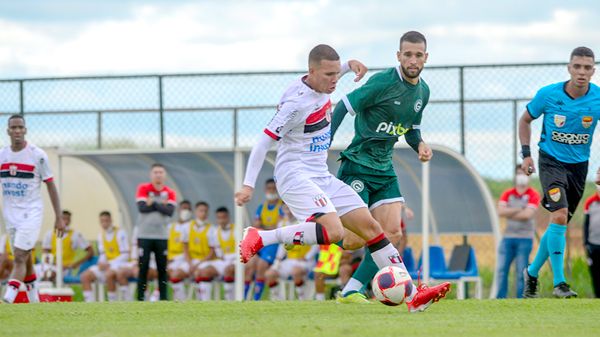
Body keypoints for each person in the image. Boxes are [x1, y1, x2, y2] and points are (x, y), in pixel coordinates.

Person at [235, 44, 450, 312]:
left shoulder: (322, 83)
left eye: (337, 74)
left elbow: (333, 74)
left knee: (372, 229)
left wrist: (350, 66)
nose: (334, 80)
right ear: (311, 71)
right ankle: (261, 236)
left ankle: (412, 296)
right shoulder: (295, 105)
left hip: (320, 175)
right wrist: (247, 184)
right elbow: (263, 143)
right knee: (335, 232)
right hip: (294, 174)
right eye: (328, 75)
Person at [328, 31, 437, 304]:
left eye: (418, 54)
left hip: (385, 169)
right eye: (408, 54)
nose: (413, 59)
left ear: (426, 57)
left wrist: (420, 145)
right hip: (358, 165)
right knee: (352, 240)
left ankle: (351, 290)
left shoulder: (423, 91)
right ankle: (314, 228)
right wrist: (322, 146)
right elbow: (342, 106)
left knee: (393, 233)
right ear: (398, 56)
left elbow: (411, 130)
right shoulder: (382, 83)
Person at [520, 46, 600, 298]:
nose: (582, 72)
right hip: (551, 162)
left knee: (560, 221)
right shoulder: (549, 94)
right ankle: (559, 283)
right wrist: (526, 154)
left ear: (593, 71)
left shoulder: (597, 98)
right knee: (560, 213)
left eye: (587, 68)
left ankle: (531, 273)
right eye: (577, 66)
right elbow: (525, 120)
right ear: (569, 67)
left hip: (579, 167)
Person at [0, 114, 65, 304]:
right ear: (8, 131)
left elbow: (51, 185)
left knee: (19, 255)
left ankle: (8, 298)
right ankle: (34, 297)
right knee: (25, 256)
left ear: (25, 130)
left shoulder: (38, 155)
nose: (17, 131)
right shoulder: (2, 155)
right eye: (14, 128)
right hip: (10, 215)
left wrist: (58, 216)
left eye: (20, 127)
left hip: (31, 212)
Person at [495, 165, 540, 298]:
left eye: (524, 173)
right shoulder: (508, 194)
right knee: (502, 270)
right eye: (519, 173)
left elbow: (527, 215)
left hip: (525, 239)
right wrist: (520, 208)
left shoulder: (533, 194)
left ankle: (521, 299)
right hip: (507, 238)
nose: (521, 176)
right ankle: (500, 298)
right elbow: (500, 211)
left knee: (521, 272)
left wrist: (510, 211)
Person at [135, 163, 177, 301]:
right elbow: (142, 208)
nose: (158, 175)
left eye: (160, 172)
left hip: (161, 236)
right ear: (151, 174)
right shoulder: (143, 188)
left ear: (164, 175)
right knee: (143, 267)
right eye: (155, 172)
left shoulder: (170, 192)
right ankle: (141, 298)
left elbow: (170, 211)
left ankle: (163, 298)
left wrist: (152, 203)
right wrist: (161, 206)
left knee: (162, 268)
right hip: (144, 235)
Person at [266, 204, 319, 300]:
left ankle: (302, 299)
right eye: (286, 208)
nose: (288, 211)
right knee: (270, 274)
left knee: (296, 271)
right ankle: (277, 299)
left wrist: (307, 257)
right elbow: (282, 245)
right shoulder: (282, 224)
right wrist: (277, 261)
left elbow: (317, 244)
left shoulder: (306, 222)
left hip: (306, 261)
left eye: (290, 208)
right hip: (290, 260)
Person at [245, 178, 285, 300]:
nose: (271, 191)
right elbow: (257, 225)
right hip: (262, 243)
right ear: (265, 190)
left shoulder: (282, 206)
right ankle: (244, 297)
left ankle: (257, 298)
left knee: (262, 265)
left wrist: (264, 227)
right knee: (250, 264)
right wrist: (267, 227)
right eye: (269, 189)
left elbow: (278, 226)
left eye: (274, 189)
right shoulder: (261, 207)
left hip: (275, 243)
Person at [81, 211, 129, 302]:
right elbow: (103, 254)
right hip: (108, 265)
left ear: (111, 220)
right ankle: (89, 303)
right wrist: (101, 263)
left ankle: (112, 301)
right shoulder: (101, 236)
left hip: (120, 264)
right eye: (102, 221)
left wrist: (109, 264)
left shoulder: (120, 233)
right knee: (85, 276)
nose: (104, 223)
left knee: (109, 274)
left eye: (106, 220)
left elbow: (125, 255)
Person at [39, 210, 93, 282]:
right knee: (41, 274)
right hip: (51, 266)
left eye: (68, 219)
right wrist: (53, 264)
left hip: (66, 268)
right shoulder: (49, 234)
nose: (66, 222)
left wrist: (76, 264)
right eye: (63, 219)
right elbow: (45, 254)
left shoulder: (75, 235)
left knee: (49, 275)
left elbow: (90, 251)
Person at [195, 206, 236, 301]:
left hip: (237, 260)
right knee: (205, 271)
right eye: (219, 218)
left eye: (224, 217)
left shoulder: (236, 229)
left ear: (228, 217)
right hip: (223, 260)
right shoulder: (215, 232)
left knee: (228, 270)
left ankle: (231, 301)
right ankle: (206, 303)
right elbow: (217, 251)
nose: (222, 220)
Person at [116, 225, 159, 301]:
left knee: (142, 271)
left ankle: (146, 298)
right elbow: (135, 247)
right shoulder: (137, 228)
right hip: (138, 263)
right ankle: (128, 301)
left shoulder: (159, 228)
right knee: (120, 273)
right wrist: (135, 262)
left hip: (154, 263)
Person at [188, 201, 217, 298]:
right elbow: (184, 247)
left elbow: (212, 251)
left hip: (206, 260)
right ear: (195, 212)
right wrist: (190, 263)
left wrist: (197, 264)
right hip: (190, 260)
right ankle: (180, 300)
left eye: (205, 211)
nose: (203, 213)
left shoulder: (212, 229)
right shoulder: (187, 227)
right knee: (175, 273)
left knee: (201, 272)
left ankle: (204, 300)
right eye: (201, 211)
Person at [167, 200, 192, 301]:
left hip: (185, 260)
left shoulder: (192, 227)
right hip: (171, 260)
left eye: (188, 209)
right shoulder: (170, 227)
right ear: (178, 210)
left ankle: (182, 301)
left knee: (176, 274)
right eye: (184, 208)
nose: (185, 211)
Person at [583, 167, 600, 297]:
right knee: (595, 274)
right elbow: (586, 225)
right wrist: (586, 243)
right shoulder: (590, 202)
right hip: (594, 245)